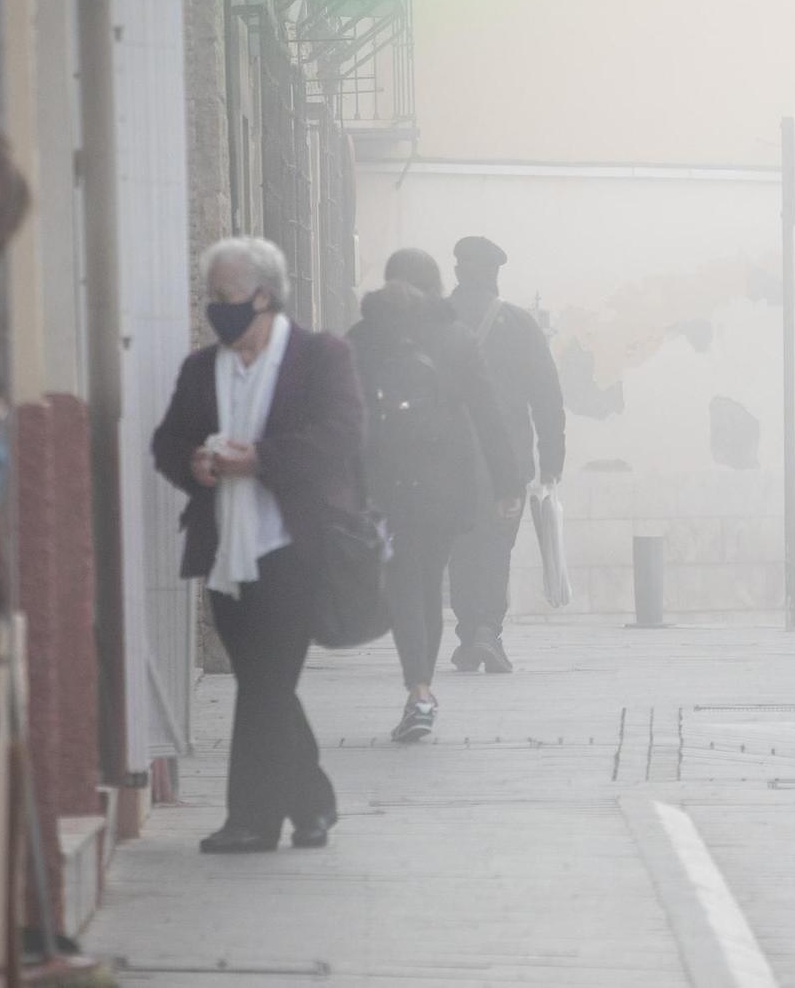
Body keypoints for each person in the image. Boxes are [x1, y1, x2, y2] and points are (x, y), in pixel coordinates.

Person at [151, 237, 355, 854]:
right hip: (225, 553)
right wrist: (197, 464)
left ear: (264, 296)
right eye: (210, 296)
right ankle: (313, 802)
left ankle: (252, 821)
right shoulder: (200, 369)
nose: (216, 308)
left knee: (265, 684)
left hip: (292, 547)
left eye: (227, 296)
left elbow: (342, 435)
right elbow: (167, 443)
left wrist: (260, 460)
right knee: (264, 681)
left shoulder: (319, 357)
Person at [348, 248, 522, 742]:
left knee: (402, 581)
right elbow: (488, 415)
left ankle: (420, 689)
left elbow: (342, 415)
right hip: (447, 484)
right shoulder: (456, 338)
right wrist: (508, 485)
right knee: (428, 582)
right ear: (437, 285)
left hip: (386, 482)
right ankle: (420, 690)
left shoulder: (363, 339)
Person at [445, 234, 566, 673]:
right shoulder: (519, 325)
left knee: (459, 547)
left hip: (446, 462)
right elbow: (547, 397)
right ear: (495, 276)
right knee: (496, 547)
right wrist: (552, 461)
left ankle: (468, 632)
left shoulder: (435, 321)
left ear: (458, 271)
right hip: (507, 465)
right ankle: (486, 633)